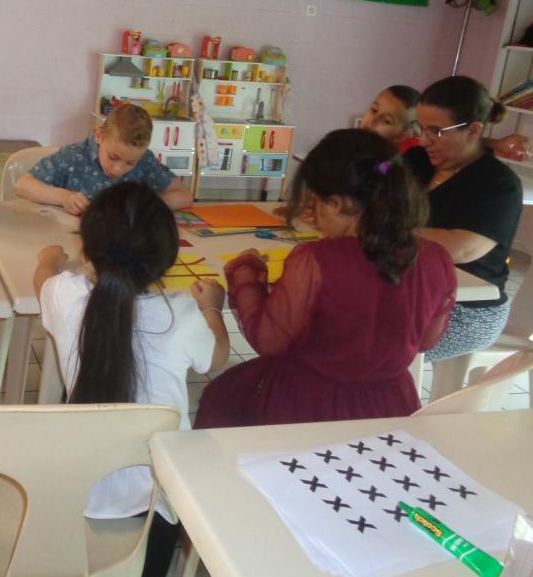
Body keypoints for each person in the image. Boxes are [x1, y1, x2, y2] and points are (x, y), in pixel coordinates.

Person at [195, 129, 457, 429]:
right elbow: (426, 340)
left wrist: (246, 272)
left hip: (309, 403)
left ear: (336, 203)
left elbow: (268, 339)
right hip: (391, 403)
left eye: (316, 202)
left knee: (222, 397)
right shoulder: (436, 257)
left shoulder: (315, 260)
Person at [34, 182, 229, 577]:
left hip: (79, 487)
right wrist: (211, 308)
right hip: (159, 495)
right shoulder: (181, 315)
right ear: (168, 260)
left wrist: (50, 258)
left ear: (87, 253)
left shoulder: (65, 297)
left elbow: (42, 280)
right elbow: (217, 358)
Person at [404, 76, 523, 361]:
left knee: (369, 342)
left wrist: (383, 227)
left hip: (469, 311)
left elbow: (461, 247)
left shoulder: (498, 184)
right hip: (412, 288)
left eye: (436, 132)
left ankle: (387, 405)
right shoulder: (418, 160)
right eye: (421, 128)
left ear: (473, 130)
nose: (424, 140)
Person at [15, 104, 193, 216]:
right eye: (113, 157)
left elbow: (184, 196)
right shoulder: (73, 156)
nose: (118, 169)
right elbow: (23, 185)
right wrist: (64, 197)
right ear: (99, 136)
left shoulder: (145, 160)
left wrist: (145, 205)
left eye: (130, 163)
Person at [361, 84, 531, 157]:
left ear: (404, 134)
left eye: (387, 121)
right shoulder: (354, 142)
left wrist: (495, 143)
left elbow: (455, 140)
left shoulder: (412, 153)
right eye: (374, 110)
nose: (372, 121)